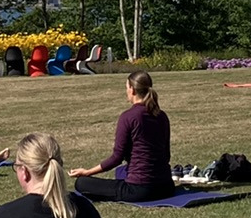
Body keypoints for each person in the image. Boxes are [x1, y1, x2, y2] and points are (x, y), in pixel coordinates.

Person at [69, 72, 175, 201]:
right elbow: (166, 155)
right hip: (166, 187)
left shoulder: (129, 117)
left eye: (126, 88)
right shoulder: (161, 116)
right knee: (121, 171)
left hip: (141, 189)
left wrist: (87, 172)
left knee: (82, 183)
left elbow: (117, 157)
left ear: (132, 89)